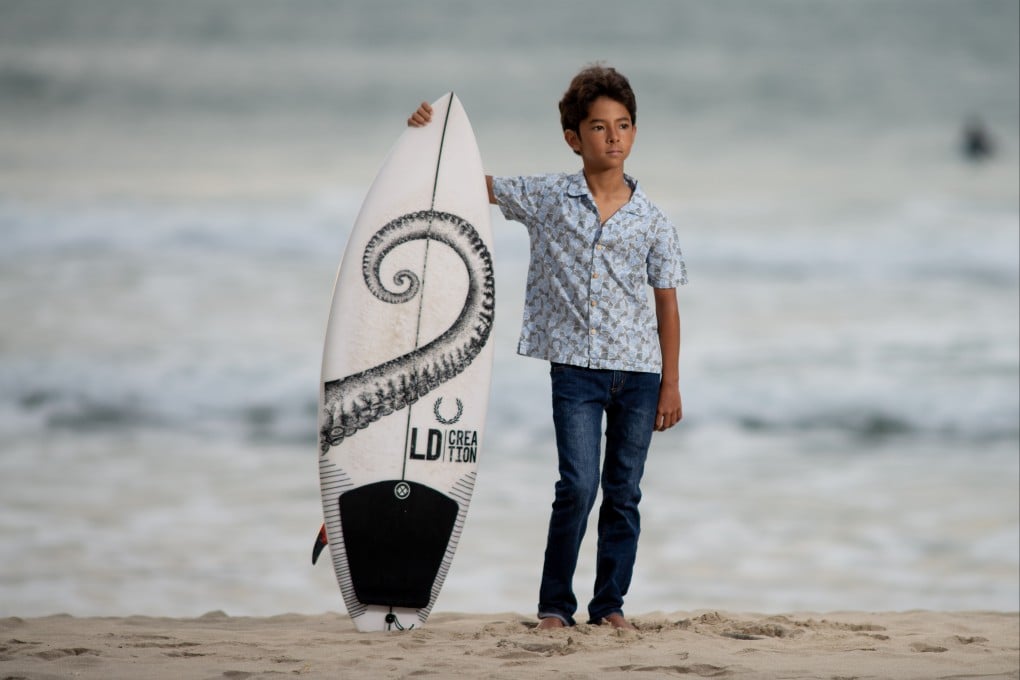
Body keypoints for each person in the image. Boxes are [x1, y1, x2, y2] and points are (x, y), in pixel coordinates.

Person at [409, 65, 687, 630]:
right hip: (575, 374)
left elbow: (667, 306)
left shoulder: (654, 220)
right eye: (599, 127)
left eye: (624, 125)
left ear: (634, 133)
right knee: (577, 486)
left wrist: (672, 384)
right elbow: (475, 184)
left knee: (624, 493)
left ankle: (609, 606)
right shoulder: (546, 197)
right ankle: (555, 607)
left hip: (639, 375)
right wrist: (426, 133)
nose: (613, 137)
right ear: (573, 138)